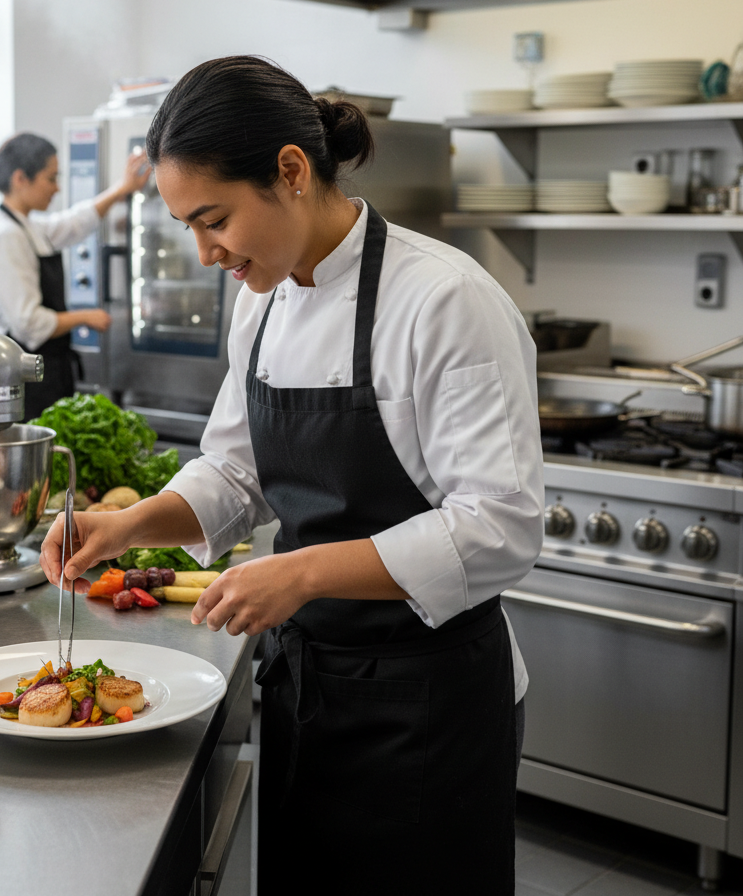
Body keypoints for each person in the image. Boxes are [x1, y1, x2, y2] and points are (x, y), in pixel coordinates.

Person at [40, 57, 544, 892]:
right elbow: (235, 471)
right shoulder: (262, 296)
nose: (206, 253)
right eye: (186, 228)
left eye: (215, 220)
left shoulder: (444, 300)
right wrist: (129, 525)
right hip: (314, 689)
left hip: (429, 703)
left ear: (291, 172)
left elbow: (501, 524)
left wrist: (300, 572)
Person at [0, 132, 150, 418]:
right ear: (21, 179)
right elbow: (29, 324)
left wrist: (122, 189)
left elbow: (73, 223)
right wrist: (85, 316)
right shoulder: (4, 238)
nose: (56, 188)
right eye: (51, 178)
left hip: (49, 370)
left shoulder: (27, 226)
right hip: (25, 378)